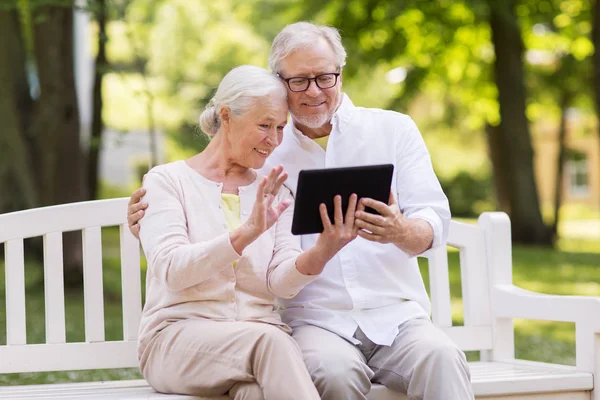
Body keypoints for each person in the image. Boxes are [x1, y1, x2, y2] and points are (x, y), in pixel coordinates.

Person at [129, 23, 474, 400]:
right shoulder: (263, 155)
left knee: (443, 357)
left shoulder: (392, 130)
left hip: (397, 317)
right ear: (280, 83)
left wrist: (400, 230)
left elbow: (434, 220)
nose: (314, 91)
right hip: (313, 322)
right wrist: (150, 220)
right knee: (333, 374)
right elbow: (197, 208)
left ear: (341, 74)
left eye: (325, 77)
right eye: (299, 81)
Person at [134, 65, 362, 400]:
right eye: (264, 125)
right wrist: (248, 232)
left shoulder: (275, 191)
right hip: (176, 341)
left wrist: (324, 250)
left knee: (255, 394)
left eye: (281, 127)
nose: (274, 139)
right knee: (271, 342)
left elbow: (279, 283)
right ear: (226, 116)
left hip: (254, 349)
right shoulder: (167, 181)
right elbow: (172, 271)